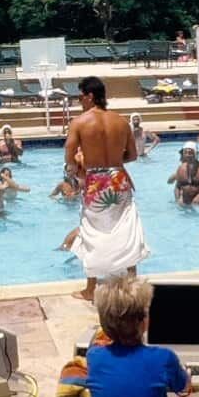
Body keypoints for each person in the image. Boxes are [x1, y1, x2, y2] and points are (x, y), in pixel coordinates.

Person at [62, 76, 149, 301]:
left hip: (95, 180)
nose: (79, 101)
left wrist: (79, 166)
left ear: (90, 96)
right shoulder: (120, 121)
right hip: (118, 178)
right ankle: (130, 283)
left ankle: (91, 289)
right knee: (125, 227)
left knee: (92, 229)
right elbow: (132, 155)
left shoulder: (80, 122)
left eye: (80, 96)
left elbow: (69, 158)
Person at [168, 141, 199, 206]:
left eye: (190, 153)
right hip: (184, 205)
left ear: (196, 153)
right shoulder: (181, 168)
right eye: (185, 153)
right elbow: (177, 187)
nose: (188, 155)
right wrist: (177, 199)